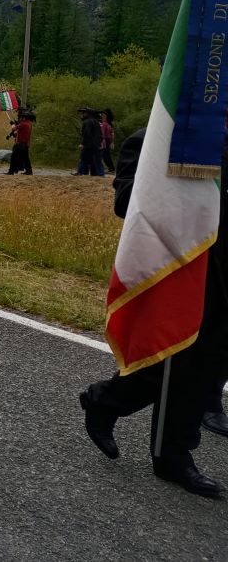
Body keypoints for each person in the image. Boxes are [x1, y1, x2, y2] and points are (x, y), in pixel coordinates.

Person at [79, 128, 228, 499]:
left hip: (221, 273)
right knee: (166, 361)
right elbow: (125, 202)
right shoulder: (157, 137)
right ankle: (111, 405)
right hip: (175, 270)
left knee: (204, 366)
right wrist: (180, 182)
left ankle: (168, 450)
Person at [73, 107, 104, 176]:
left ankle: (82, 172)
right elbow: (100, 134)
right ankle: (96, 174)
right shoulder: (96, 122)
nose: (82, 114)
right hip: (96, 144)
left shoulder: (87, 122)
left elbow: (87, 134)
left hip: (89, 144)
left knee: (83, 158)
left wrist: (83, 143)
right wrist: (99, 143)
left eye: (83, 113)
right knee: (94, 159)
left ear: (88, 114)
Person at [5, 109, 34, 175]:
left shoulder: (23, 124)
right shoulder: (29, 123)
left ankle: (11, 171)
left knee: (13, 157)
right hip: (26, 144)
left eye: (21, 117)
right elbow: (18, 132)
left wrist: (12, 124)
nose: (20, 118)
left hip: (20, 144)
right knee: (26, 158)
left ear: (24, 117)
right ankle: (29, 171)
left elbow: (13, 128)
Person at [101, 108, 116, 173]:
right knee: (106, 155)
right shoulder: (109, 124)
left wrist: (103, 141)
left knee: (105, 155)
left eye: (103, 114)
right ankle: (111, 168)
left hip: (105, 140)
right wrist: (112, 142)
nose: (102, 115)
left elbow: (103, 134)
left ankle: (111, 168)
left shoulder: (105, 124)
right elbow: (112, 134)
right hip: (108, 140)